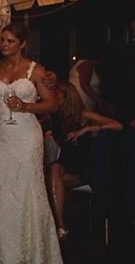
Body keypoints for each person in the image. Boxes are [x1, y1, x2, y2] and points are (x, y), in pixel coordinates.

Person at [0, 22, 63, 264]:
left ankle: (31, 253)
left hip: (25, 135)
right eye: (3, 40)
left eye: (10, 41)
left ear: (22, 44)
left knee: (25, 187)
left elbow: (52, 105)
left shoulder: (36, 70)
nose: (4, 44)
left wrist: (26, 107)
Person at [45, 82, 124, 241]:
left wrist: (87, 129)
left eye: (56, 94)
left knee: (53, 171)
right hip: (64, 168)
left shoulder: (83, 115)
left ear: (67, 97)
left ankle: (59, 226)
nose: (52, 96)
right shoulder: (53, 116)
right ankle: (60, 226)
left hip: (85, 170)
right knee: (48, 171)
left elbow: (118, 125)